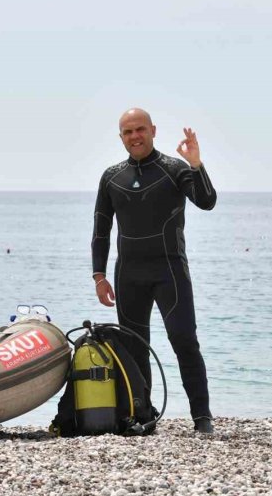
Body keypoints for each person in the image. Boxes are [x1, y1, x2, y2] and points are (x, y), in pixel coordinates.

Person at [92, 108, 217, 433]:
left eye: (140, 130)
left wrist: (197, 164)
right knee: (134, 346)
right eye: (128, 132)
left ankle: (202, 417)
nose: (135, 136)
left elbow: (207, 201)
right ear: (121, 137)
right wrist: (99, 275)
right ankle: (143, 415)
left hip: (169, 270)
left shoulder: (174, 169)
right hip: (128, 273)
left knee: (184, 339)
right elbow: (101, 229)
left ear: (153, 130)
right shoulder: (111, 177)